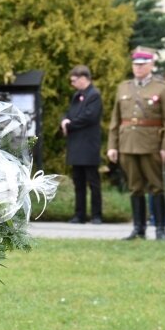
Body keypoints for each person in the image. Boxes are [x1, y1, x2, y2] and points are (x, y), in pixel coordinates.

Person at [107, 47, 165, 240]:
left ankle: (160, 229)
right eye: (135, 64)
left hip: (152, 144)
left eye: (142, 64)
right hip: (127, 144)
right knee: (135, 187)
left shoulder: (162, 88)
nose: (138, 68)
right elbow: (115, 119)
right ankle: (139, 229)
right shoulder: (124, 87)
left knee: (156, 186)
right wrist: (112, 145)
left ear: (151, 65)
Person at [61, 65, 103, 224]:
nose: (72, 84)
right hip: (76, 144)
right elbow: (69, 113)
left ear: (84, 78)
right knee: (78, 182)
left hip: (89, 145)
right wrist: (64, 120)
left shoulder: (94, 95)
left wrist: (69, 125)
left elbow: (89, 117)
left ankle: (97, 215)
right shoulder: (76, 95)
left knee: (93, 182)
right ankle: (79, 214)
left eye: (74, 80)